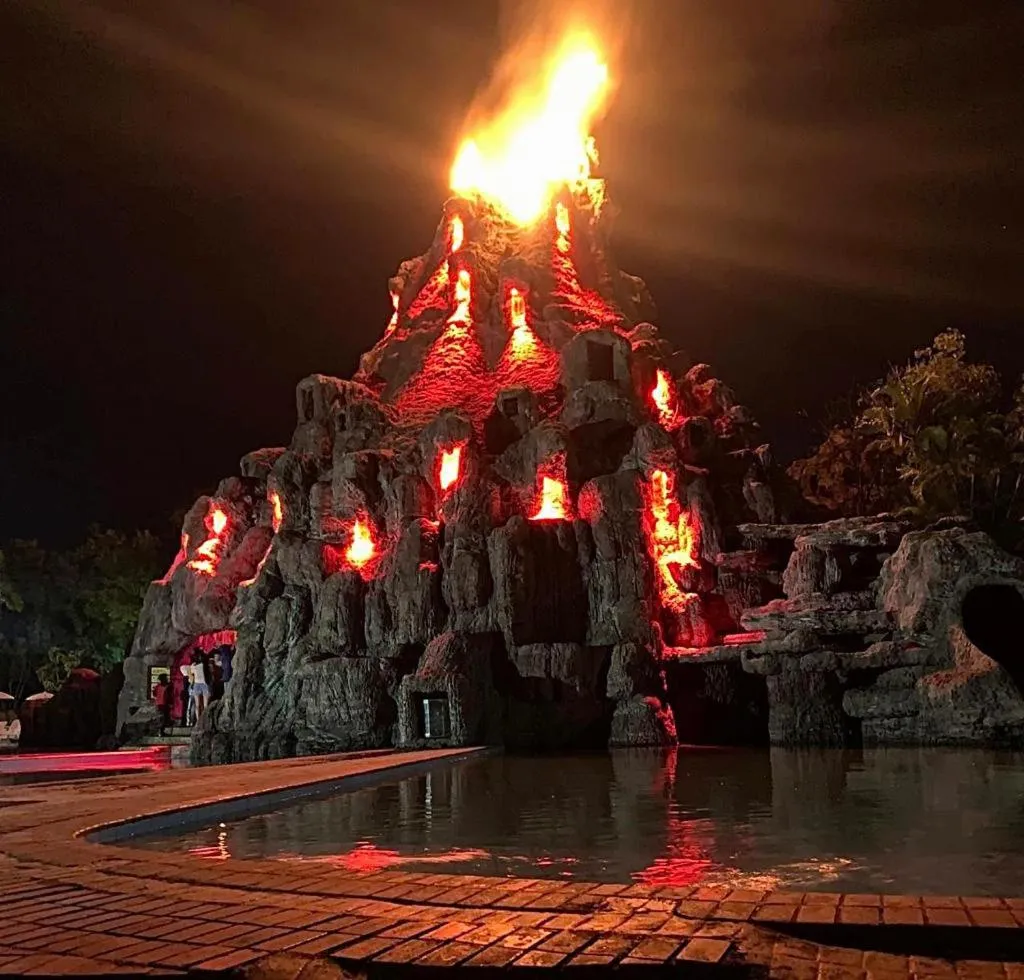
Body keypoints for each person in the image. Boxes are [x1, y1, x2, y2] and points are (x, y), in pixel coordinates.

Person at [188, 648, 211, 722]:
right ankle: (200, 721)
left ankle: (203, 720)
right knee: (200, 705)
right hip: (200, 683)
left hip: (202, 683)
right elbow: (190, 673)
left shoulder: (203, 664)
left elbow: (190, 673)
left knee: (203, 705)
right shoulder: (197, 664)